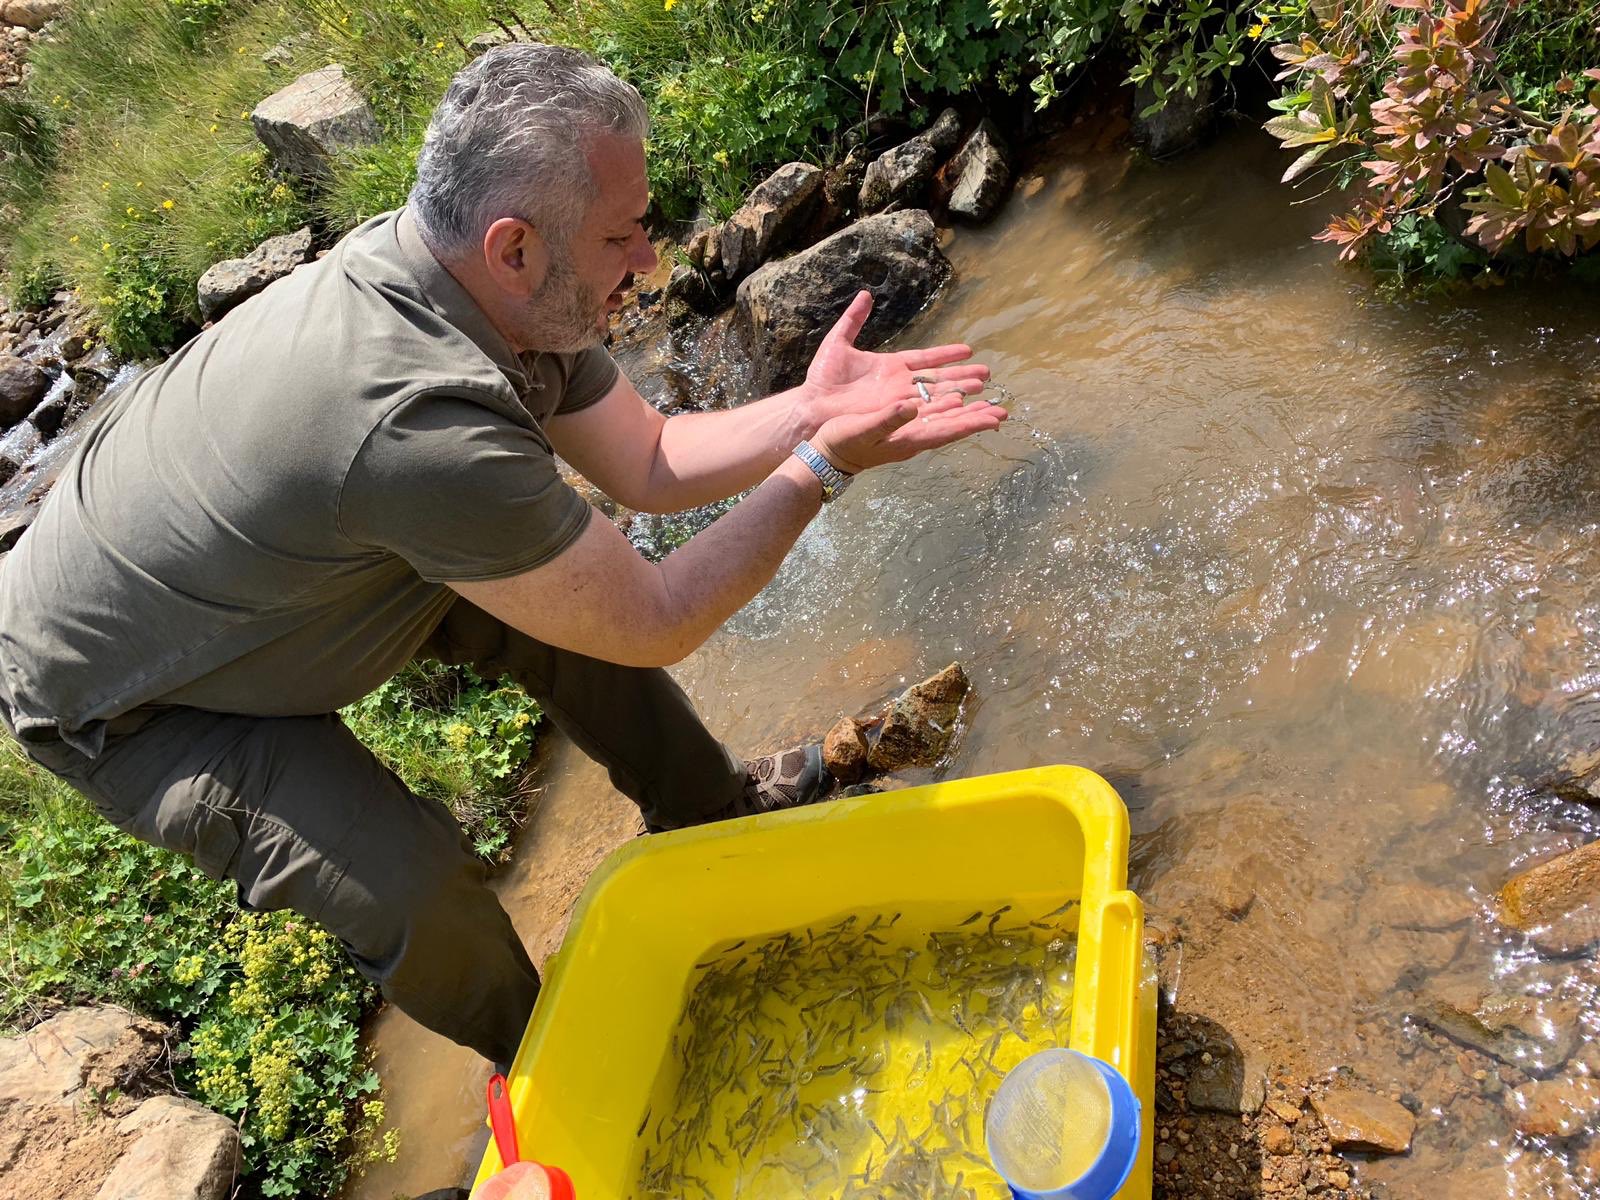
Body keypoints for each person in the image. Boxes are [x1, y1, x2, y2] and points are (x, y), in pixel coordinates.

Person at [0, 43, 1003, 1067]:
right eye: (623, 236)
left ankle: (710, 818)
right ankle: (557, 1063)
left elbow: (649, 460)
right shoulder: (415, 422)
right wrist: (823, 467)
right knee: (413, 885)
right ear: (513, 244)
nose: (649, 263)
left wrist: (807, 410)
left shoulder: (485, 280)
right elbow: (659, 617)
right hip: (127, 696)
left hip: (279, 563)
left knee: (579, 620)